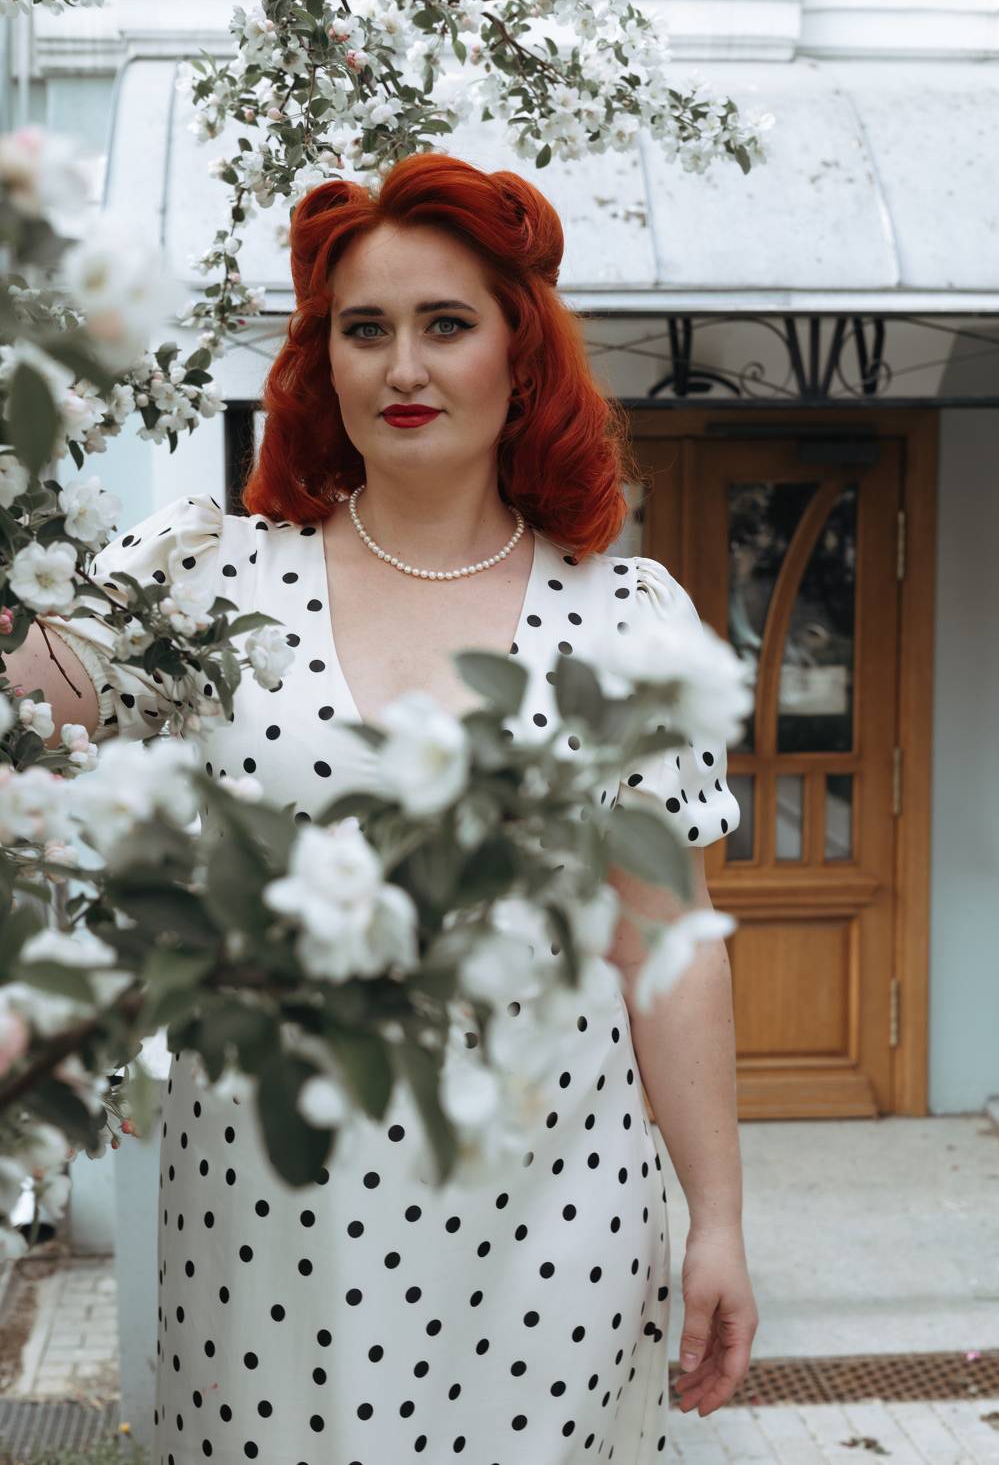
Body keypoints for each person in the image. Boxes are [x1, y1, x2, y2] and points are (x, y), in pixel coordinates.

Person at [26, 151, 758, 1462]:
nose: (403, 367)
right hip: (267, 1222)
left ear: (522, 353)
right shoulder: (203, 585)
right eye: (365, 329)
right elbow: (27, 698)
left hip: (554, 1221)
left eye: (446, 324)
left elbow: (665, 948)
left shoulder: (626, 623)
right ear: (324, 361)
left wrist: (719, 1221)